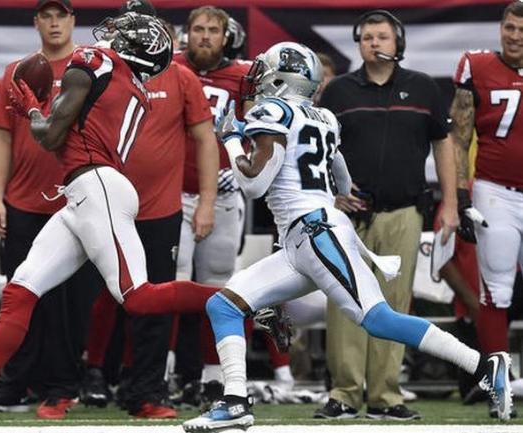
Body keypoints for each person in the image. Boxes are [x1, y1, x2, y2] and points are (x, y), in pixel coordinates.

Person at [182, 41, 512, 433]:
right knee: (225, 305)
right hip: (302, 236)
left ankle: (485, 366)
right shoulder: (323, 116)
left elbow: (253, 185)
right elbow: (341, 173)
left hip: (315, 231)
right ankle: (234, 400)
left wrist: (233, 139)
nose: (257, 79)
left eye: (265, 70)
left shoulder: (273, 111)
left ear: (282, 77)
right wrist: (334, 197)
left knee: (377, 319)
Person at [0, 12, 221, 427]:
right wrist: (42, 112)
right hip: (83, 192)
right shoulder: (135, 89)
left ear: (134, 48)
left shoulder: (95, 62)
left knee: (138, 297)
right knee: (20, 288)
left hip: (97, 188)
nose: (111, 35)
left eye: (124, 34)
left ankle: (243, 299)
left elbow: (51, 135)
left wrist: (32, 110)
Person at [315, 10, 459, 420]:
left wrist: (449, 203)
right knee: (345, 300)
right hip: (348, 217)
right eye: (367, 37)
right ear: (358, 44)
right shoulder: (339, 91)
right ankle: (343, 392)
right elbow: (318, 149)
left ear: (399, 43)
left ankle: (385, 395)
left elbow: (444, 145)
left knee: (394, 305)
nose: (374, 43)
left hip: (404, 210)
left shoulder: (423, 88)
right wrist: (331, 196)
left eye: (382, 36)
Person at [82, 1, 219, 418]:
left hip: (160, 209)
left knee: (156, 301)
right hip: (107, 207)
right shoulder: (102, 73)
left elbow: (205, 139)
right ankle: (90, 378)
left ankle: (145, 391)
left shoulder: (181, 76)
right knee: (100, 298)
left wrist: (207, 202)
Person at [0, 0, 102, 419]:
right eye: (46, 16)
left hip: (76, 199)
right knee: (21, 295)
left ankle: (62, 385)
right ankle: (18, 382)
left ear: (73, 21)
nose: (54, 23)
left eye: (61, 15)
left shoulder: (91, 67)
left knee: (70, 301)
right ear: (36, 22)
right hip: (24, 200)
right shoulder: (18, 71)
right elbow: (0, 136)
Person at [449, 1, 523, 418]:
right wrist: (460, 194)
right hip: (496, 191)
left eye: (521, 30)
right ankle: (499, 388)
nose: (514, 36)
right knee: (496, 291)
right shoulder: (477, 66)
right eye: (509, 27)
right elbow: (458, 137)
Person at [173, 6, 252, 396]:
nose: (204, 36)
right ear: (187, 34)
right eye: (198, 29)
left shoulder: (242, 76)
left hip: (221, 196)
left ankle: (214, 375)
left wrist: (240, 165)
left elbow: (260, 129)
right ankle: (166, 370)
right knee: (170, 285)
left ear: (226, 36)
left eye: (212, 30)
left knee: (218, 285)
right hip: (170, 194)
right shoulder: (166, 66)